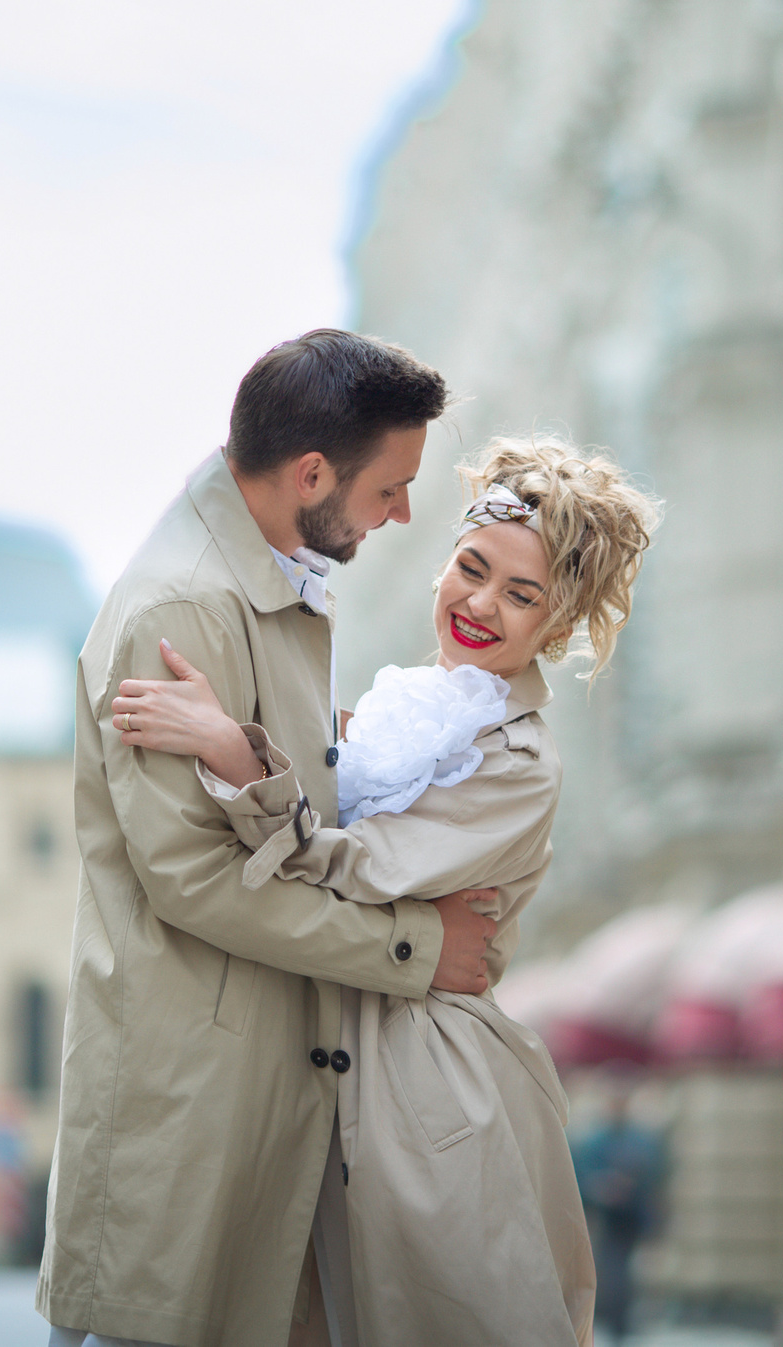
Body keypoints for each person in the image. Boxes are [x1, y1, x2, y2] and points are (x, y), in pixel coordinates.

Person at [117, 436, 661, 1346]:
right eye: (472, 568)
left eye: (521, 594)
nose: (481, 603)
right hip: (328, 1052)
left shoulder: (518, 759)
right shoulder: (401, 708)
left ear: (555, 626)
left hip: (426, 1090)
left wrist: (235, 751)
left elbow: (358, 867)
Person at [35, 330, 504, 1347]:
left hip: (262, 1095)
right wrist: (415, 949)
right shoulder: (183, 607)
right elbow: (197, 882)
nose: (402, 514)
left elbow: (283, 835)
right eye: (389, 488)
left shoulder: (263, 580)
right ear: (309, 474)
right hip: (197, 1112)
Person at [570, 1075, 667, 1344]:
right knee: (612, 1268)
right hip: (608, 1216)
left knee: (627, 1269)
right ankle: (613, 1319)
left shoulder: (642, 1139)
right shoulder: (594, 1140)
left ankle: (622, 1320)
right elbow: (582, 1177)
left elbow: (654, 1176)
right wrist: (601, 1189)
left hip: (633, 1215)